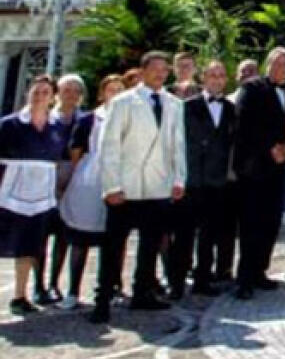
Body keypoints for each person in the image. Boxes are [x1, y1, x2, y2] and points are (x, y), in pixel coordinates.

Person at [90, 52, 187, 323]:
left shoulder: (174, 104)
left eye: (165, 70)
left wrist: (179, 179)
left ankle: (143, 292)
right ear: (143, 72)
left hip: (158, 185)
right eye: (155, 69)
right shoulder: (123, 102)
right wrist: (111, 186)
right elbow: (109, 145)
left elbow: (177, 144)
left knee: (151, 244)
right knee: (113, 247)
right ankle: (103, 299)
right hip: (126, 187)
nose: (160, 74)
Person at [232, 47, 285, 301]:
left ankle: (260, 271)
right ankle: (244, 278)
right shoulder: (252, 88)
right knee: (250, 223)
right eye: (277, 64)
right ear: (268, 65)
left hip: (282, 168)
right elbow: (242, 124)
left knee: (272, 223)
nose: (281, 69)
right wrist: (269, 147)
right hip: (254, 167)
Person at [0, 76, 70, 315]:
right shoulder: (9, 125)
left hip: (41, 195)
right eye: (36, 92)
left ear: (52, 98)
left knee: (29, 246)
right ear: (27, 94)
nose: (39, 97)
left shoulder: (57, 127)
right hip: (9, 192)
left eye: (45, 92)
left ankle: (20, 295)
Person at [169, 61, 236, 299]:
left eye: (221, 75)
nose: (217, 80)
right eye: (212, 75)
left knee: (209, 234)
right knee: (183, 235)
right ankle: (176, 283)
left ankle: (203, 280)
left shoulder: (231, 109)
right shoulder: (186, 106)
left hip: (217, 182)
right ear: (203, 78)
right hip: (191, 179)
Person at [58, 74, 124, 310]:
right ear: (102, 93)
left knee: (113, 240)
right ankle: (73, 291)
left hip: (119, 180)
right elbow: (76, 152)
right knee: (80, 239)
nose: (115, 94)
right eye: (111, 90)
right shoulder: (89, 119)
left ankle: (111, 288)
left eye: (120, 90)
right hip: (89, 181)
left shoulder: (130, 118)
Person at [32, 74, 87, 306]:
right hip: (46, 180)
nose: (71, 95)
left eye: (76, 91)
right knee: (41, 236)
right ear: (57, 93)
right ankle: (38, 285)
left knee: (64, 237)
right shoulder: (44, 118)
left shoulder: (85, 120)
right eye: (66, 90)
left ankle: (54, 282)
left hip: (74, 180)